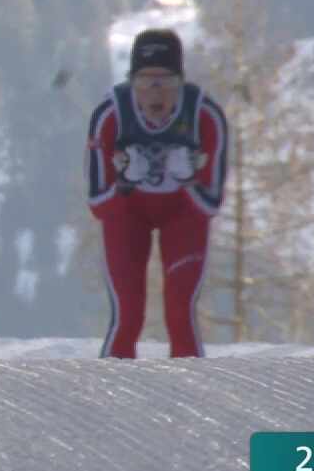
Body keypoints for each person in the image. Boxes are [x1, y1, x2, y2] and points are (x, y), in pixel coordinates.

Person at [85, 28, 230, 358]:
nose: (155, 94)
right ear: (130, 83)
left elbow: (210, 203)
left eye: (165, 82)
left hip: (183, 213)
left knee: (180, 313)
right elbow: (96, 202)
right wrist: (124, 184)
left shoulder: (205, 116)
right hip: (127, 213)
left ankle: (190, 400)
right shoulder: (110, 115)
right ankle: (110, 401)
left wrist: (189, 180)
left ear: (181, 84)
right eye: (145, 81)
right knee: (127, 315)